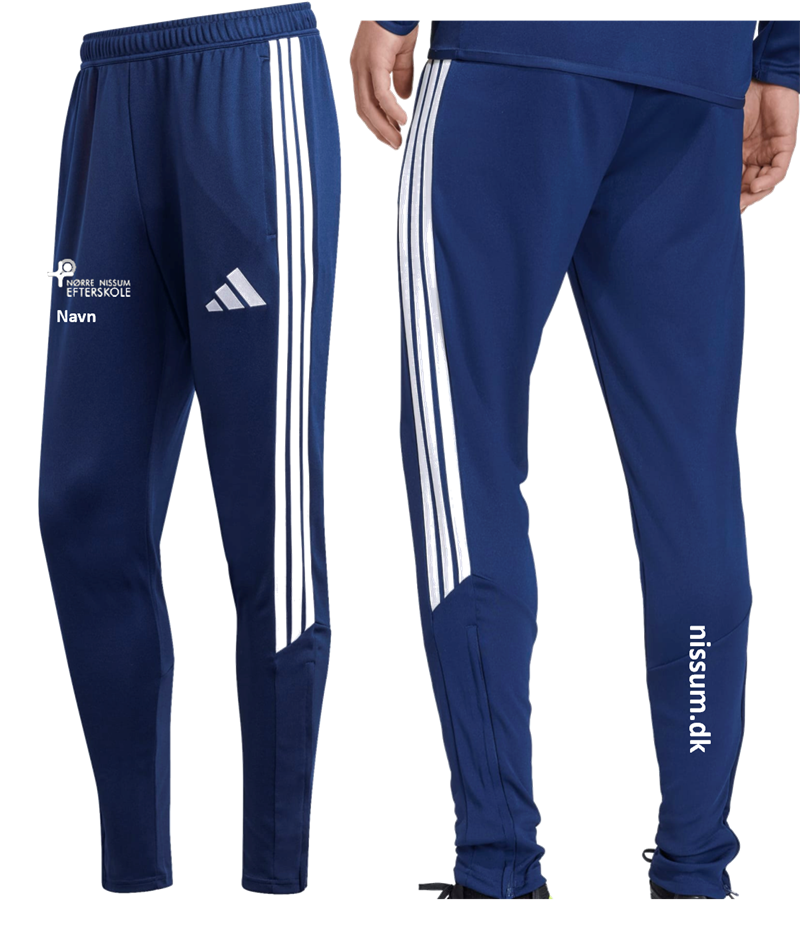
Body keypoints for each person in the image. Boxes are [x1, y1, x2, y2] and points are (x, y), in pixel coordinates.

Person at [350, 19, 799, 901]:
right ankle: (697, 867)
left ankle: (499, 866)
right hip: (695, 71)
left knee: (463, 448)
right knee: (694, 476)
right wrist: (778, 55)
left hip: (510, 58)